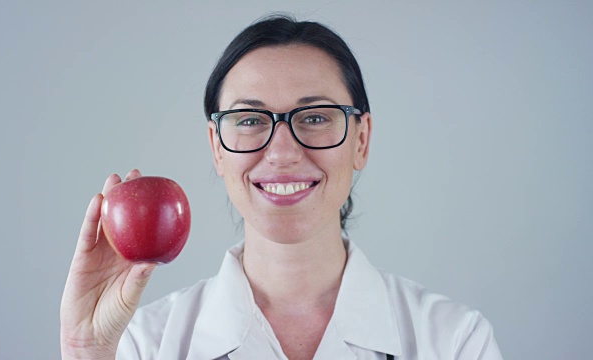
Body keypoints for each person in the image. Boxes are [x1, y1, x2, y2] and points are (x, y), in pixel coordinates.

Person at [60, 15, 503, 360]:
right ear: (217, 147)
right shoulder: (141, 347)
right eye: (250, 120)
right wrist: (86, 352)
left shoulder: (454, 340)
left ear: (361, 140)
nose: (283, 152)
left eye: (314, 117)